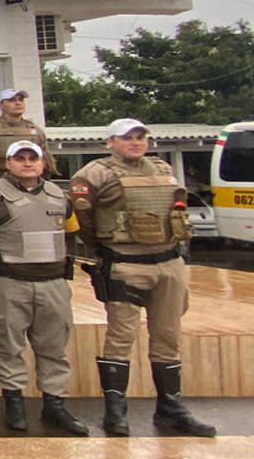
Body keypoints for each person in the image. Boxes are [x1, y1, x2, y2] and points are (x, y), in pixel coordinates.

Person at [71, 118, 215, 437]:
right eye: (127, 138)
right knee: (121, 336)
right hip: (125, 263)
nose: (136, 142)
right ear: (110, 142)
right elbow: (83, 217)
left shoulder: (163, 169)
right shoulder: (94, 173)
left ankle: (171, 408)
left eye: (140, 137)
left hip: (169, 262)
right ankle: (115, 411)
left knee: (168, 336)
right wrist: (103, 251)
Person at [0, 140, 87, 434]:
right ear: (9, 163)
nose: (27, 163)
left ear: (43, 163)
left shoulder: (60, 196)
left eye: (33, 158)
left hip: (53, 283)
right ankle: (14, 405)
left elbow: (71, 235)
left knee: (54, 347)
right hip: (9, 282)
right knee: (8, 346)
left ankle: (55, 405)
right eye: (20, 158)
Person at [0, 89, 55, 182]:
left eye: (21, 100)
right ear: (0, 105)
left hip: (30, 183)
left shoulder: (35, 131)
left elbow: (46, 159)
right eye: (11, 100)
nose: (18, 103)